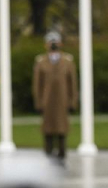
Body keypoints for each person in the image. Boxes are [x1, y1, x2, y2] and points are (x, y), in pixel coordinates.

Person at [32, 31, 77, 164]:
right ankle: (48, 155)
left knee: (62, 129)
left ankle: (62, 156)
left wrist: (73, 101)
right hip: (47, 101)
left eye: (55, 42)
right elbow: (37, 84)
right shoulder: (41, 62)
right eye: (51, 42)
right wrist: (38, 102)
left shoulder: (68, 61)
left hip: (62, 100)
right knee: (48, 130)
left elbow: (72, 84)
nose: (53, 45)